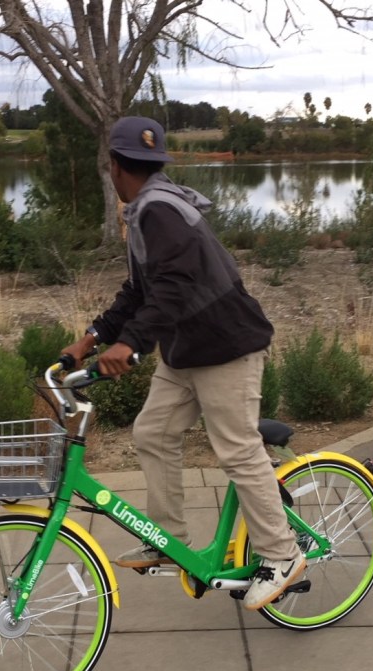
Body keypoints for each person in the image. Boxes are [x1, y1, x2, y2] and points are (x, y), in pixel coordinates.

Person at [61, 116, 305, 611]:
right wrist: (91, 339)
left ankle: (282, 555)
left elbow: (172, 287)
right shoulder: (149, 209)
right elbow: (139, 291)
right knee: (152, 432)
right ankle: (167, 539)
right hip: (187, 352)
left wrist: (128, 345)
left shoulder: (158, 212)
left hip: (225, 348)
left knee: (237, 450)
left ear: (113, 165)